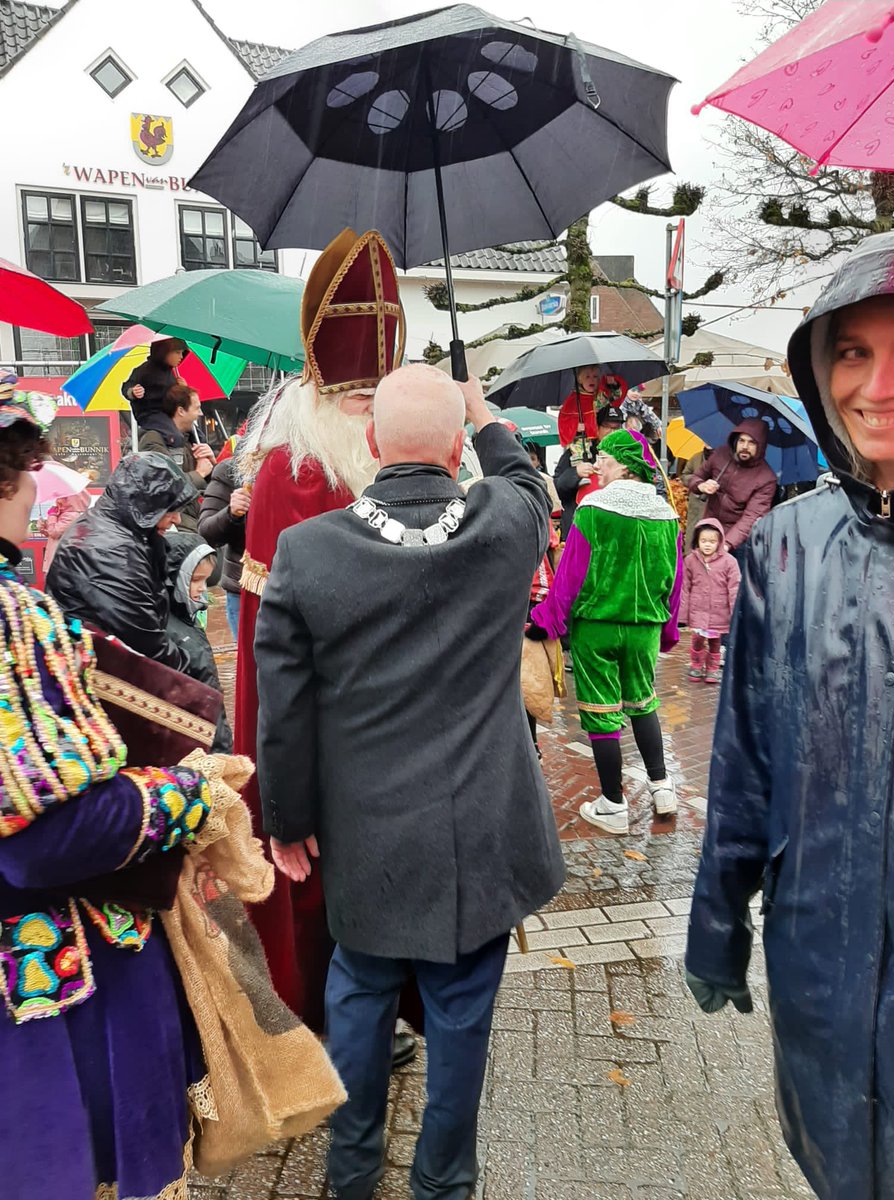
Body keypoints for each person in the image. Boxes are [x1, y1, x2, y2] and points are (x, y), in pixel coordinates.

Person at [255, 364, 565, 1200]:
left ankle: (352, 1172)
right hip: (483, 832)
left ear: (370, 441)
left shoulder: (308, 551)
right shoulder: (506, 525)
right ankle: (443, 1180)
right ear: (458, 448)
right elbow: (524, 478)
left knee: (359, 992)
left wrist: (286, 819)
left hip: (368, 831)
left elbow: (284, 710)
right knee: (462, 1013)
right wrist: (483, 411)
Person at [685, 231, 894, 1200]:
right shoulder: (785, 548)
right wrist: (716, 925)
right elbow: (746, 761)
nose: (878, 386)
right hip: (819, 958)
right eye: (853, 352)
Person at [0, 387, 215, 1200]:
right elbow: (44, 840)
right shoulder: (12, 621)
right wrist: (186, 796)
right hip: (48, 991)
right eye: (24, 471)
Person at [234, 228, 418, 1056]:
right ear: (319, 390)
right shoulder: (290, 474)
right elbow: (272, 649)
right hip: (322, 731)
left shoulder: (401, 466)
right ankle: (329, 1026)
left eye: (379, 399)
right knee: (321, 884)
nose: (369, 416)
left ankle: (381, 1012)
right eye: (356, 401)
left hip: (394, 735)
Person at [529, 430, 681, 834]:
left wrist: (546, 620)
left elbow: (570, 577)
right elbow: (674, 581)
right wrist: (667, 629)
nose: (598, 466)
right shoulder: (666, 516)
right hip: (645, 628)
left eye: (606, 460)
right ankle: (661, 786)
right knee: (643, 702)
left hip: (597, 627)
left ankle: (613, 804)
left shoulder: (594, 510)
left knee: (602, 712)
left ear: (626, 467)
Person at [47, 452, 196, 673]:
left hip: (98, 664)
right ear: (144, 504)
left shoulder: (112, 528)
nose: (177, 519)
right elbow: (145, 641)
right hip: (102, 673)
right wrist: (191, 679)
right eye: (170, 510)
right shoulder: (110, 551)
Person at [164, 530, 233, 751]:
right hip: (198, 741)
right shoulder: (169, 631)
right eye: (195, 580)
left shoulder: (188, 619)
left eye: (205, 580)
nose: (203, 588)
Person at [686, 419, 777, 563]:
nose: (745, 447)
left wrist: (726, 545)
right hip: (709, 530)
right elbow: (695, 477)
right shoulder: (721, 454)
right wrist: (701, 485)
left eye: (752, 443)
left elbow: (750, 517)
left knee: (733, 576)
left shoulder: (766, 478)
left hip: (738, 541)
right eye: (741, 441)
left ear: (760, 446)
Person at [137, 383, 215, 532]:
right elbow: (164, 486)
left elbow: (214, 486)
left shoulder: (192, 439)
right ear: (181, 411)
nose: (200, 414)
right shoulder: (153, 440)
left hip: (196, 518)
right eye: (197, 408)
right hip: (174, 525)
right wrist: (199, 474)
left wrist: (212, 462)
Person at [679, 517, 740, 685]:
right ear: (697, 540)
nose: (707, 545)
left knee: (715, 641)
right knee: (697, 638)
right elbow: (685, 587)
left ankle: (712, 669)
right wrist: (682, 615)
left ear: (719, 542)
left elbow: (734, 587)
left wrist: (734, 611)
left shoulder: (729, 562)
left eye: (712, 541)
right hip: (697, 609)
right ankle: (696, 665)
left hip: (718, 611)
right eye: (704, 541)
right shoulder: (690, 561)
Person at [197, 453, 249, 640]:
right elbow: (205, 532)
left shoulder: (309, 465)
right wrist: (231, 513)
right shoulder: (232, 470)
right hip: (244, 590)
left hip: (297, 588)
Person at [554, 404, 626, 539]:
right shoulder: (576, 452)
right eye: (607, 426)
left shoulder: (627, 457)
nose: (612, 432)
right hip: (579, 530)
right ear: (597, 428)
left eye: (616, 428)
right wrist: (575, 473)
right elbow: (556, 489)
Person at [121, 336, 189, 428]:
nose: (181, 357)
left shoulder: (170, 372)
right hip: (151, 416)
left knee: (194, 431)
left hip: (169, 416)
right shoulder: (145, 370)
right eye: (177, 352)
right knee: (174, 433)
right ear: (164, 352)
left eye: (182, 353)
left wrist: (183, 390)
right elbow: (128, 386)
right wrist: (133, 391)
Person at [40, 486, 91, 572]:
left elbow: (54, 533)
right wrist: (43, 527)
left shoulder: (71, 515)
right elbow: (52, 534)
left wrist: (52, 515)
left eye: (64, 497)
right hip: (60, 559)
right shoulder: (64, 513)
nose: (59, 500)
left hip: (61, 561)